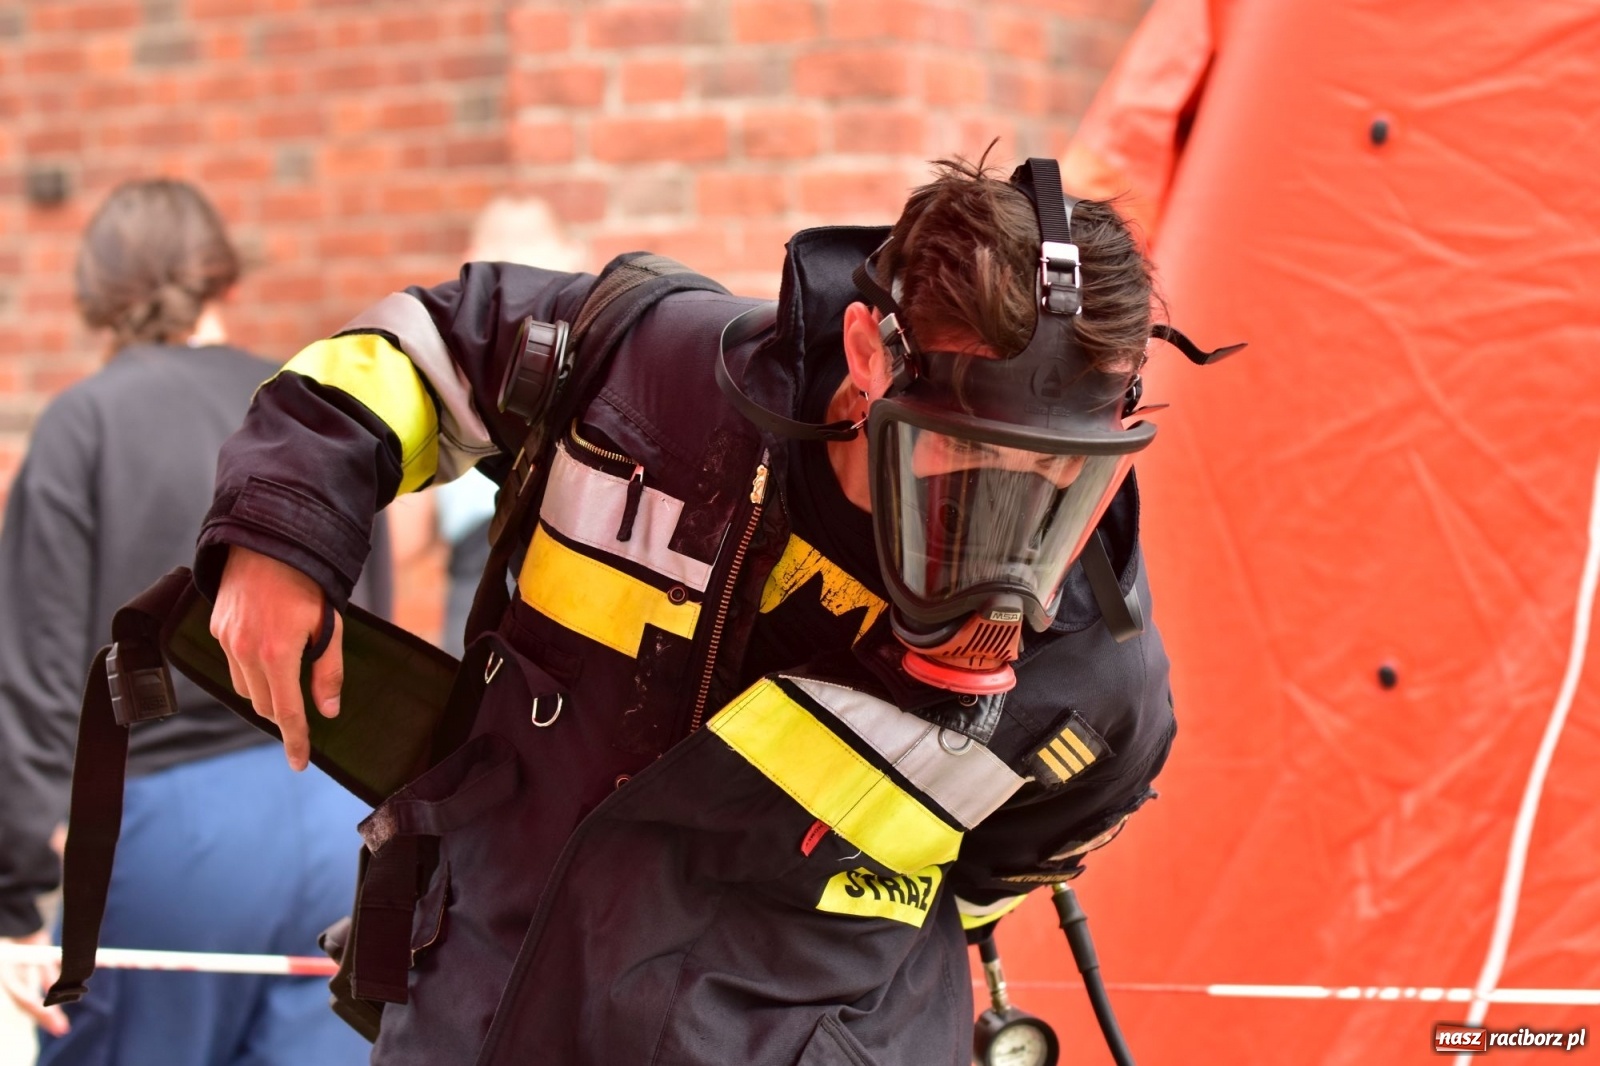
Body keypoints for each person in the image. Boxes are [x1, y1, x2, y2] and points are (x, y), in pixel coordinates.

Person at [200, 154, 1200, 1065]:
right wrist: (279, 537)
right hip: (490, 1009)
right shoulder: (646, 376)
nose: (1013, 536)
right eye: (967, 459)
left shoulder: (1093, 687)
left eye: (1061, 479)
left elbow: (1003, 865)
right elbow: (422, 347)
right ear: (868, 354)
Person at [0, 178, 386, 1066]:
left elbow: (38, 683)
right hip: (329, 819)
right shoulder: (308, 413)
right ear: (222, 278)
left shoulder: (83, 425)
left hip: (170, 835)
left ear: (98, 293)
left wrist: (15, 906)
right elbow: (371, 637)